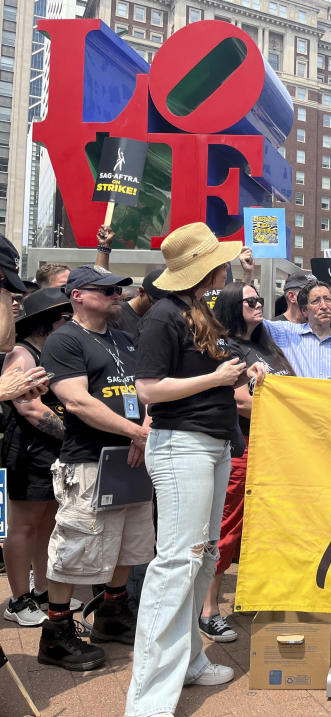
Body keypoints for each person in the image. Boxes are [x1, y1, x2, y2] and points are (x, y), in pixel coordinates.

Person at [126, 223, 265, 715]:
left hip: (211, 443)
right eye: (220, 260)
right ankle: (147, 699)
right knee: (177, 565)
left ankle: (187, 664)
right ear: (205, 268)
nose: (226, 265)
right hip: (182, 444)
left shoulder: (194, 310)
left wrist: (241, 371)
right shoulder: (164, 315)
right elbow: (148, 389)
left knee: (198, 560)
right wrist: (217, 377)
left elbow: (202, 374)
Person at [39, 265, 153, 671]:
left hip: (131, 457)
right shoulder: (64, 340)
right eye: (105, 290)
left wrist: (145, 427)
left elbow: (146, 390)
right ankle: (56, 634)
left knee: (130, 543)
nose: (116, 294)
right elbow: (77, 402)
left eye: (118, 288)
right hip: (88, 459)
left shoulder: (124, 337)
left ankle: (111, 615)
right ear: (77, 296)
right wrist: (137, 434)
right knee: (74, 548)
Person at [200, 281, 294, 642]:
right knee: (228, 527)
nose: (258, 305)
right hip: (244, 450)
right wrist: (292, 415)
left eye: (260, 299)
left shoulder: (267, 348)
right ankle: (209, 610)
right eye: (250, 301)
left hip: (277, 449)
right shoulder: (229, 349)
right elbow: (239, 401)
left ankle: (253, 597)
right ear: (229, 306)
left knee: (268, 528)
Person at [1, 289, 71, 627]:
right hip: (28, 450)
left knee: (48, 521)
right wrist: (72, 435)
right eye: (63, 319)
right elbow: (27, 407)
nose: (69, 324)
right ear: (45, 322)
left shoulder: (51, 353)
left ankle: (42, 590)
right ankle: (18, 599)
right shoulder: (22, 353)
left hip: (50, 450)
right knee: (23, 526)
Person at [264, 279, 331, 378]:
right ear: (305, 310)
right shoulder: (287, 333)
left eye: (327, 299)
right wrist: (248, 274)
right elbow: (252, 320)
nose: (324, 306)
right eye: (316, 301)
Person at [110, 268, 166, 339]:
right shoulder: (117, 315)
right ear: (141, 292)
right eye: (154, 303)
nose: (158, 308)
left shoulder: (161, 316)